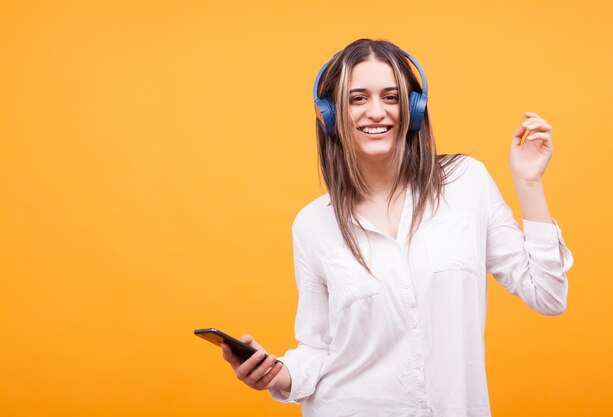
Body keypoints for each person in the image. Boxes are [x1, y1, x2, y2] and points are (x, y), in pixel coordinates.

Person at [220, 38, 574, 417]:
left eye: (391, 97)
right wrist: (275, 374)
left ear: (414, 109)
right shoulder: (312, 224)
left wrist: (529, 183)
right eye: (358, 98)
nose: (376, 111)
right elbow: (317, 350)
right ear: (329, 114)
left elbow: (548, 295)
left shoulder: (467, 184)